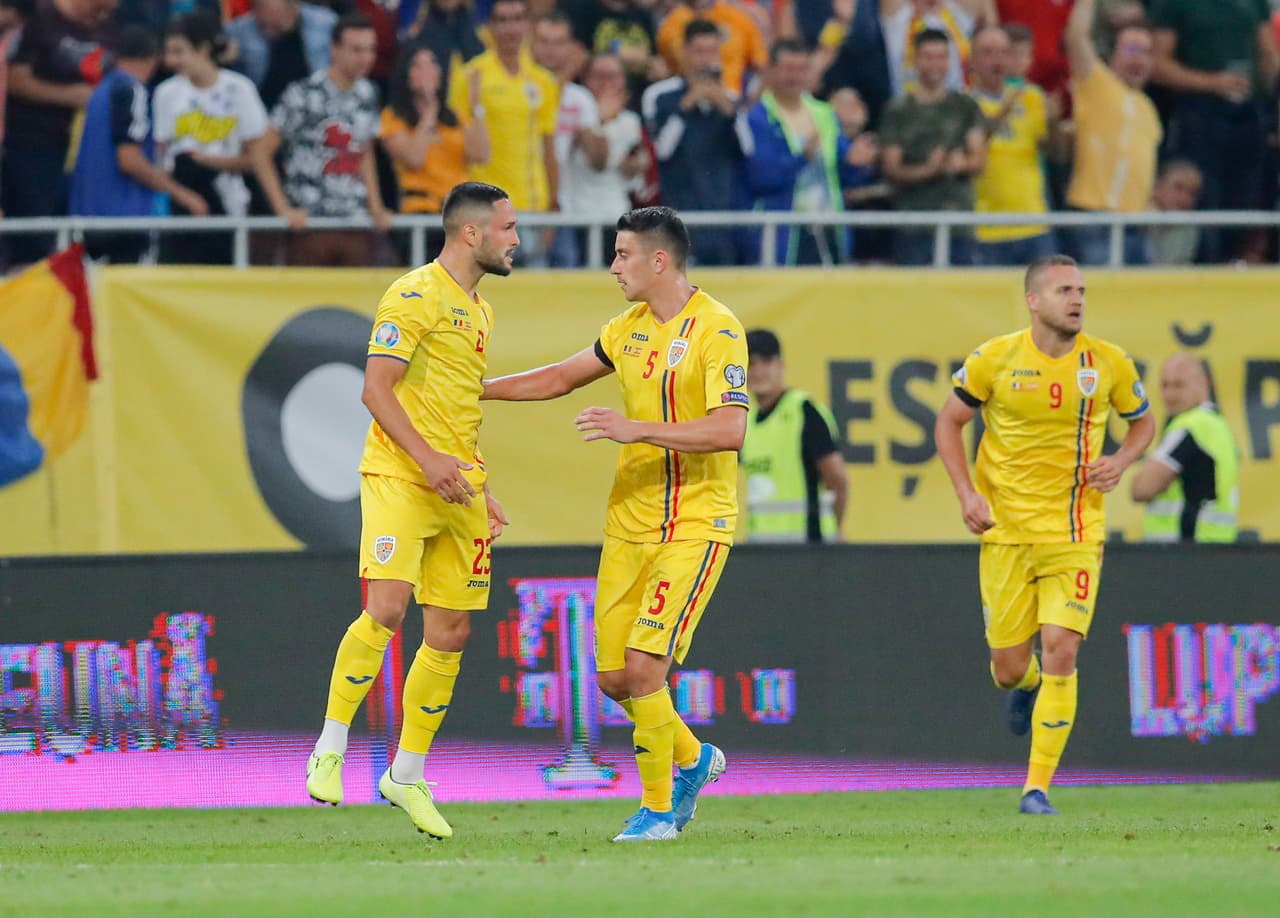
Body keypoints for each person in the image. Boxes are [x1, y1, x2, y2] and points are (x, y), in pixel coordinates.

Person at [482, 206, 748, 842]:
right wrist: (477, 389)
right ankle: (693, 757)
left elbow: (730, 428)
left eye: (623, 254)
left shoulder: (718, 329)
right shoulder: (625, 329)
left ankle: (659, 812)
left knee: (644, 668)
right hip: (629, 523)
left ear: (660, 261)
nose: (614, 266)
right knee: (611, 679)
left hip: (694, 523)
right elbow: (557, 378)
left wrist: (638, 429)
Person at [304, 181, 517, 840]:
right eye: (507, 228)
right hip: (401, 474)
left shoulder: (478, 310)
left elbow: (455, 407)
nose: (517, 239)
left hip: (459, 485)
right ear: (471, 233)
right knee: (388, 607)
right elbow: (375, 389)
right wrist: (427, 461)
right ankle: (331, 746)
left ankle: (406, 774)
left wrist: (482, 487)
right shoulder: (413, 293)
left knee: (452, 631)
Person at [934, 254, 1155, 815]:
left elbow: (1143, 422)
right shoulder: (995, 358)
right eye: (1063, 290)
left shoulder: (1108, 363)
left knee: (1062, 647)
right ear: (1034, 301)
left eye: (1080, 289)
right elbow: (949, 422)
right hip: (1006, 534)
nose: (1076, 299)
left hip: (1076, 532)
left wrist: (1124, 459)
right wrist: (966, 493)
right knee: (1008, 670)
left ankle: (1037, 788)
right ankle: (1027, 685)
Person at [256, 13, 393, 267]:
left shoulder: (368, 93)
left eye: (370, 49)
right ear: (335, 49)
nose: (366, 58)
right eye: (356, 49)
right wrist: (282, 209)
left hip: (355, 222)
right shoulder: (304, 93)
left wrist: (375, 205)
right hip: (310, 223)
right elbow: (261, 151)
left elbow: (364, 149)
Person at [1150, 0, 1278, 263]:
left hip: (1249, 113)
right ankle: (1204, 271)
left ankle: (1235, 266)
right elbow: (1158, 64)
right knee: (1204, 201)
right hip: (1198, 114)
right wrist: (1212, 83)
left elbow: (1269, 55)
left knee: (1249, 200)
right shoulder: (1173, 5)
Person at [70, 25, 209, 264]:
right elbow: (129, 159)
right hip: (123, 217)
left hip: (88, 213)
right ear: (153, 58)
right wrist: (182, 195)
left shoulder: (102, 90)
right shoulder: (132, 90)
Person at [154, 11, 278, 265]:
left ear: (202, 49)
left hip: (230, 207)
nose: (171, 60)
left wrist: (205, 161)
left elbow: (257, 158)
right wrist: (183, 195)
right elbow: (161, 162)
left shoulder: (239, 89)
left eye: (179, 51)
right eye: (169, 52)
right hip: (179, 209)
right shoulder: (166, 93)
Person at [741, 38, 876, 266]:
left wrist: (858, 163)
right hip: (784, 236)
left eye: (801, 69)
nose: (794, 77)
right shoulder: (756, 119)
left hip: (828, 230)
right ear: (771, 71)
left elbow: (838, 172)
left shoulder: (824, 113)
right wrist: (801, 159)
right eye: (788, 69)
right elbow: (760, 178)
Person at [2, 0, 117, 266]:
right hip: (34, 140)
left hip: (89, 144)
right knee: (35, 229)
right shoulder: (39, 18)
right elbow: (14, 79)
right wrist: (70, 96)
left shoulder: (111, 22)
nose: (108, 9)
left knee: (77, 225)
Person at [448, 0, 559, 267]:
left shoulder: (542, 80)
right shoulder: (471, 76)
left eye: (518, 19)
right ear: (490, 27)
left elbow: (549, 150)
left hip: (534, 212)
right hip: (489, 212)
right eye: (503, 20)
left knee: (534, 300)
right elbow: (458, 147)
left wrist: (554, 210)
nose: (512, 28)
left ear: (528, 25)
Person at [642, 18, 748, 266]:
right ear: (685, 52)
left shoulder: (730, 99)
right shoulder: (659, 95)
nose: (706, 60)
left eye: (712, 51)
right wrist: (687, 106)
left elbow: (747, 151)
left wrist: (727, 110)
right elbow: (662, 150)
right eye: (699, 51)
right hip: (677, 219)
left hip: (723, 221)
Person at [1062, 0, 1160, 266]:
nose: (1138, 58)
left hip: (1136, 226)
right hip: (1094, 220)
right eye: (1131, 49)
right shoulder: (1097, 85)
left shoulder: (1149, 108)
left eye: (1146, 51)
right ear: (1113, 52)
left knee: (1138, 305)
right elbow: (1076, 36)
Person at [878, 27, 986, 266]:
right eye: (928, 57)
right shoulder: (899, 110)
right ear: (915, 60)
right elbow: (891, 167)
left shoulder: (965, 106)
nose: (936, 64)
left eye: (942, 57)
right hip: (913, 224)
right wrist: (929, 170)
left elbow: (978, 160)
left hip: (959, 224)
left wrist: (960, 164)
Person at [740, 329, 848, 543]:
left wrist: (835, 528)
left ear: (781, 365)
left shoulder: (804, 411)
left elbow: (837, 479)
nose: (758, 371)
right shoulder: (746, 421)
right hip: (760, 549)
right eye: (751, 363)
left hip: (806, 549)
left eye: (766, 361)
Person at [968, 24, 1055, 266]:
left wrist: (1057, 124)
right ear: (972, 60)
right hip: (986, 229)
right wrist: (1002, 113)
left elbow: (1054, 151)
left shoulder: (1032, 97)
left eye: (1003, 52)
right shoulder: (962, 104)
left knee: (1044, 303)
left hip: (1034, 224)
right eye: (987, 52)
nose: (997, 60)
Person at [379, 45, 489, 236]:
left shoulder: (455, 117)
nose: (426, 72)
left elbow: (481, 155)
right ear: (407, 74)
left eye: (432, 64)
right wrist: (428, 112)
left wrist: (476, 106)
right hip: (420, 213)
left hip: (458, 213)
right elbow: (415, 159)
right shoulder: (393, 117)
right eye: (418, 66)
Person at [1132, 353, 1240, 544]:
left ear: (1203, 385)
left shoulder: (1190, 426)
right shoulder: (1219, 425)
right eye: (1165, 385)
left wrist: (1143, 477)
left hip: (1183, 553)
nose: (1170, 395)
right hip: (1218, 548)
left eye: (1179, 385)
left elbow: (1143, 489)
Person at [225, 0, 336, 110]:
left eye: (274, 21)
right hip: (264, 109)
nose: (268, 26)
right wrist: (225, 59)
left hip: (316, 105)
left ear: (294, 7)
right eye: (262, 24)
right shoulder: (239, 31)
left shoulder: (325, 24)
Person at [1146, 159, 1202, 266]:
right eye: (1178, 187)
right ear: (1156, 187)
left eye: (1192, 193)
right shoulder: (1133, 222)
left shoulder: (1190, 229)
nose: (1184, 198)